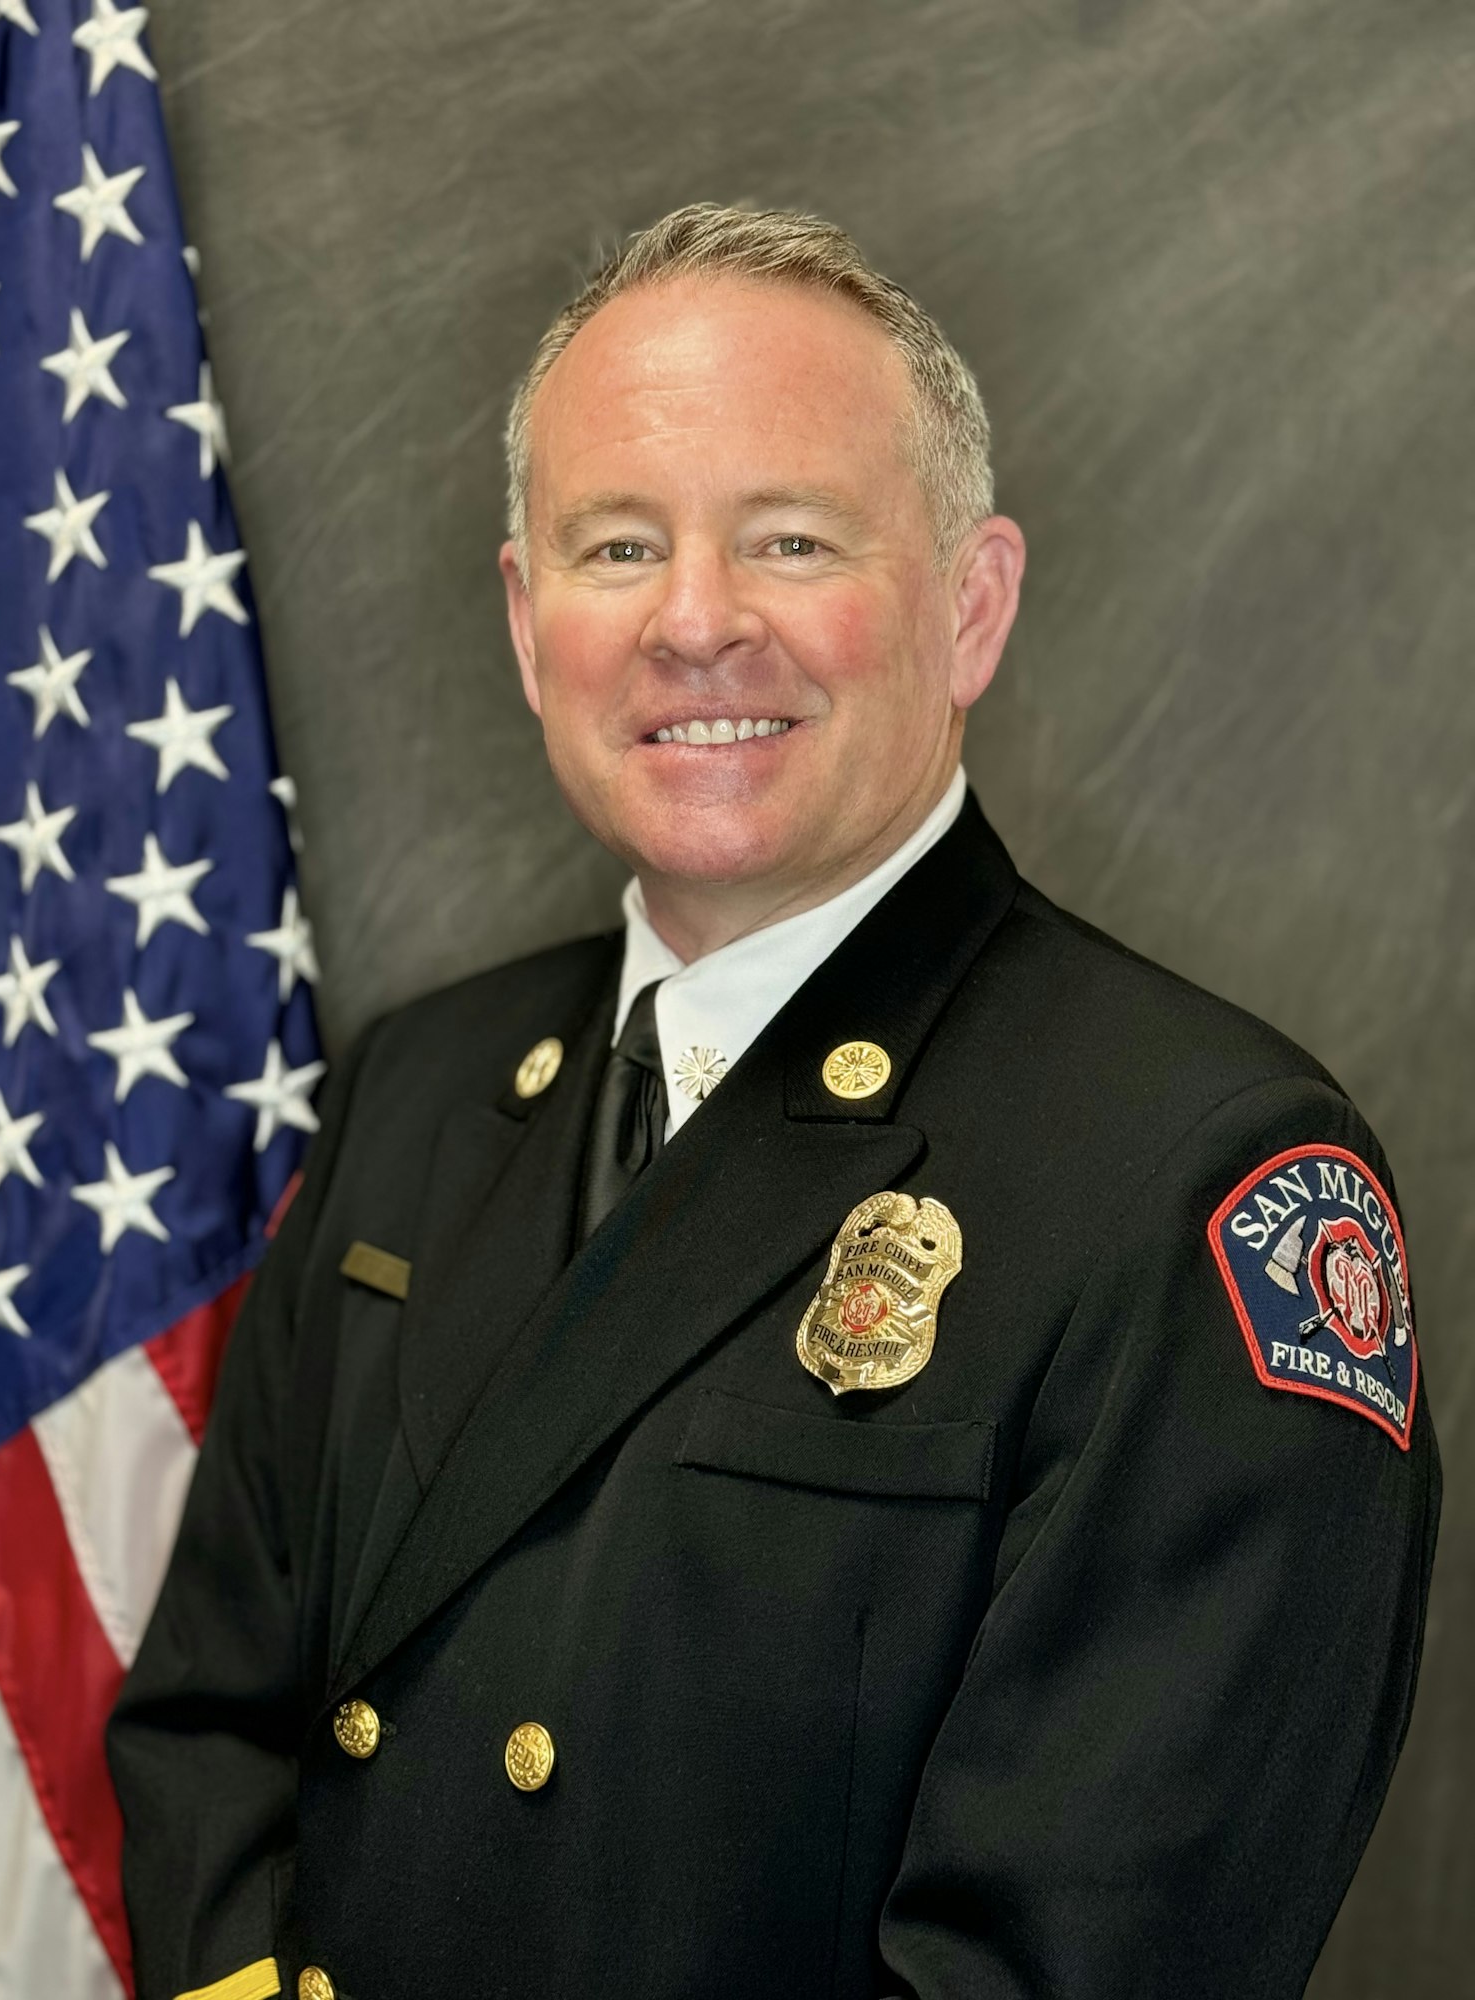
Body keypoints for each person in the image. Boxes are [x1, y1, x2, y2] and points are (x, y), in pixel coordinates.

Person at [108, 203, 1439, 2000]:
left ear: (970, 609)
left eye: (792, 539)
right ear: (526, 623)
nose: (695, 625)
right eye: (615, 547)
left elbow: (1074, 1961)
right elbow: (208, 1733)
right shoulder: (417, 1100)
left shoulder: (1198, 1184)